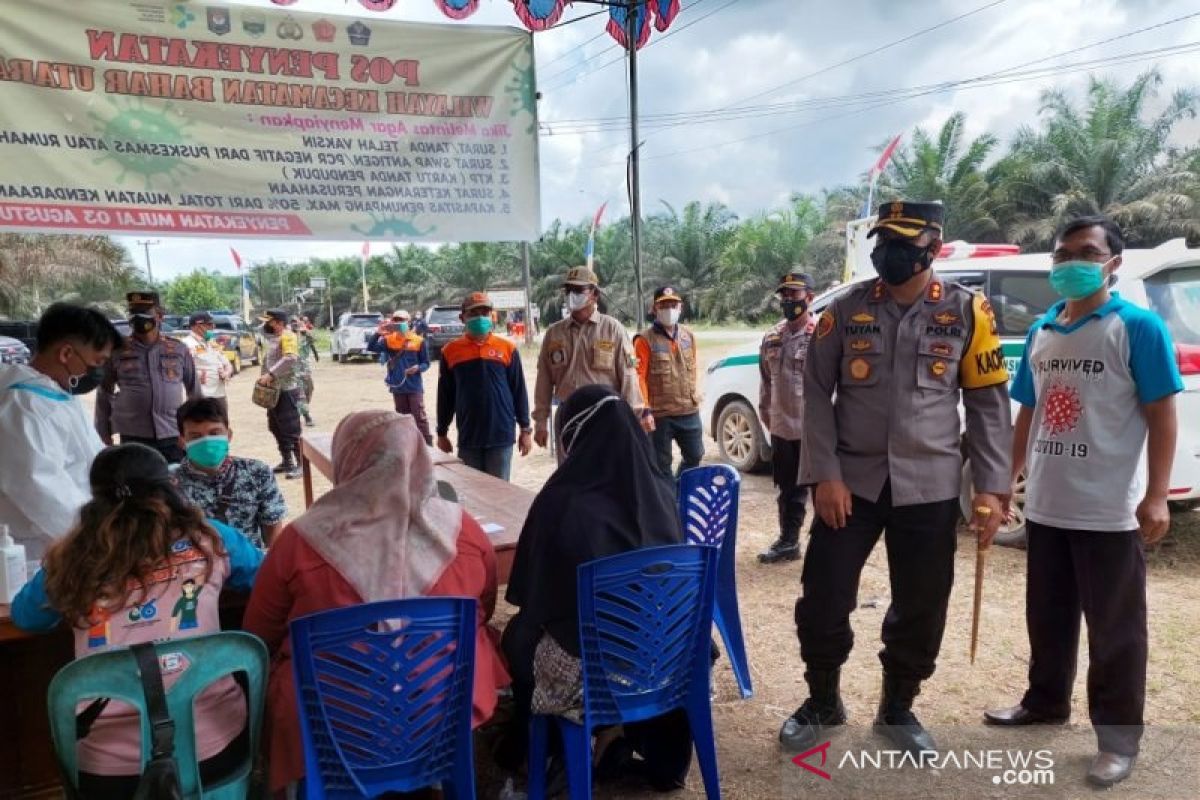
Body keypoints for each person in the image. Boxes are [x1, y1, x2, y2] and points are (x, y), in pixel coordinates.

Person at [780, 201, 1013, 755]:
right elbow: (814, 392)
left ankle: (897, 708)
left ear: (932, 245)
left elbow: (987, 403)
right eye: (883, 240)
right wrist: (825, 475)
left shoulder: (968, 312)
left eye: (904, 241)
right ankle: (822, 701)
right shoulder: (846, 311)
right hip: (851, 484)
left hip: (929, 485)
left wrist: (992, 487)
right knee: (824, 596)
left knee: (923, 602)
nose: (890, 251)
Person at [983, 215, 1182, 788]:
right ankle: (1045, 701)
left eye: (1086, 252)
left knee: (1116, 632)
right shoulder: (1044, 330)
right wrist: (1003, 487)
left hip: (1108, 511)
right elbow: (1028, 415)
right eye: (1062, 253)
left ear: (1112, 263)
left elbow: (1161, 412)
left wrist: (1156, 496)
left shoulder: (1135, 327)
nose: (1071, 262)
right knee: (1048, 619)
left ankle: (1118, 739)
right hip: (1046, 505)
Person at [242, 410, 511, 797]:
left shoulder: (299, 543)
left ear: (347, 459)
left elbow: (258, 634)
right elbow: (482, 609)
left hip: (332, 721)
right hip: (440, 709)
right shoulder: (462, 531)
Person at [11, 444, 262, 798]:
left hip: (107, 769)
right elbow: (263, 576)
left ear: (96, 497)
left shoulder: (71, 556)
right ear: (169, 483)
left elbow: (26, 616)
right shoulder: (210, 538)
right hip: (215, 751)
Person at [499, 385, 692, 790]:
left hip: (597, 669)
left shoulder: (561, 501)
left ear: (576, 437)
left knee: (518, 636)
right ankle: (615, 733)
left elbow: (531, 596)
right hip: (667, 653)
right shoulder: (661, 489)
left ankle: (546, 748)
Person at [0, 303, 121, 558]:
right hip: (45, 546)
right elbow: (40, 489)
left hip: (74, 534)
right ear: (66, 353)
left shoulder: (57, 395)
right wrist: (99, 535)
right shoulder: (24, 406)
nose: (97, 372)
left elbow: (93, 456)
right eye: (96, 362)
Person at [532, 267, 646, 463]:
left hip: (605, 415)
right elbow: (543, 380)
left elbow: (628, 378)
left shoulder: (612, 329)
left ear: (594, 294)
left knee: (606, 474)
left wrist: (634, 421)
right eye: (568, 290)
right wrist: (541, 423)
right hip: (568, 415)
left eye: (578, 290)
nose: (571, 296)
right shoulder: (554, 333)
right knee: (570, 477)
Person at [436, 291, 532, 480]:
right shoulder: (450, 351)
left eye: (485, 313)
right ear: (462, 318)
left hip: (501, 434)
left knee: (499, 493)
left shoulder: (507, 348)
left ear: (492, 316)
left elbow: (518, 390)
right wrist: (442, 432)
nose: (480, 317)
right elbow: (445, 396)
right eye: (474, 313)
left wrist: (525, 429)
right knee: (474, 495)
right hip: (469, 435)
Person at [95, 291, 200, 463]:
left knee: (175, 483)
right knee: (138, 485)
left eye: (145, 312)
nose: (138, 318)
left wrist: (195, 431)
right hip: (133, 436)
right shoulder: (117, 350)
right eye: (134, 313)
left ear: (159, 316)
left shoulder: (178, 349)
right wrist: (103, 433)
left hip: (173, 434)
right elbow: (104, 393)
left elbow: (194, 392)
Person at [757, 272, 818, 564]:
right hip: (782, 427)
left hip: (815, 430)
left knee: (823, 490)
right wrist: (766, 413)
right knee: (788, 489)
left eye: (795, 294)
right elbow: (766, 381)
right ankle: (789, 542)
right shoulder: (772, 336)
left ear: (810, 297)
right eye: (785, 295)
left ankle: (825, 547)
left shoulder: (822, 333)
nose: (789, 300)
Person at [172, 398, 287, 548]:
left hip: (249, 567)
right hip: (196, 569)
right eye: (195, 436)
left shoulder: (257, 473)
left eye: (215, 433)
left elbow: (274, 533)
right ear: (182, 441)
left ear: (229, 434)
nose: (207, 442)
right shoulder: (170, 484)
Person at [633, 286, 704, 478]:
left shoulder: (688, 336)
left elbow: (692, 369)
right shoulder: (644, 340)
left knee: (695, 455)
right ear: (654, 309)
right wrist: (644, 410)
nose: (669, 309)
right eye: (663, 305)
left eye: (673, 304)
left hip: (688, 410)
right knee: (661, 464)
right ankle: (668, 502)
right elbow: (638, 377)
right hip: (659, 414)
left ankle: (679, 491)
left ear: (680, 307)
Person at [367, 309, 433, 445]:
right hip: (398, 386)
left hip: (414, 386)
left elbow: (426, 363)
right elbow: (371, 347)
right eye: (396, 320)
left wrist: (418, 368)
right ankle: (407, 445)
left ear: (409, 322)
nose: (398, 322)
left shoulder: (418, 341)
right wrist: (378, 333)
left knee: (420, 418)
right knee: (402, 419)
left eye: (402, 320)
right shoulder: (389, 340)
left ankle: (428, 446)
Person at [256, 308, 303, 479]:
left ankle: (301, 463)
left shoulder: (288, 336)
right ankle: (287, 461)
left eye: (269, 321)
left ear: (279, 323)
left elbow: (290, 358)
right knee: (275, 427)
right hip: (275, 391)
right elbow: (260, 330)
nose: (266, 324)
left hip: (286, 390)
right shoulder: (274, 337)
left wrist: (271, 374)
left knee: (291, 429)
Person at [181, 311, 232, 417]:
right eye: (209, 325)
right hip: (202, 395)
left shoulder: (212, 343)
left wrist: (226, 373)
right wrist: (197, 375)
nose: (213, 327)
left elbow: (227, 364)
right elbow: (181, 369)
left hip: (219, 394)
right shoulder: (186, 344)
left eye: (213, 324)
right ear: (198, 326)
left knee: (222, 426)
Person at [288, 317, 318, 427]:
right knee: (300, 395)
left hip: (305, 372)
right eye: (293, 324)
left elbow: (314, 339)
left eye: (297, 324)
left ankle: (300, 409)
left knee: (309, 390)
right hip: (293, 373)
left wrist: (305, 330)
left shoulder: (305, 337)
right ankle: (307, 417)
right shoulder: (287, 338)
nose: (295, 326)